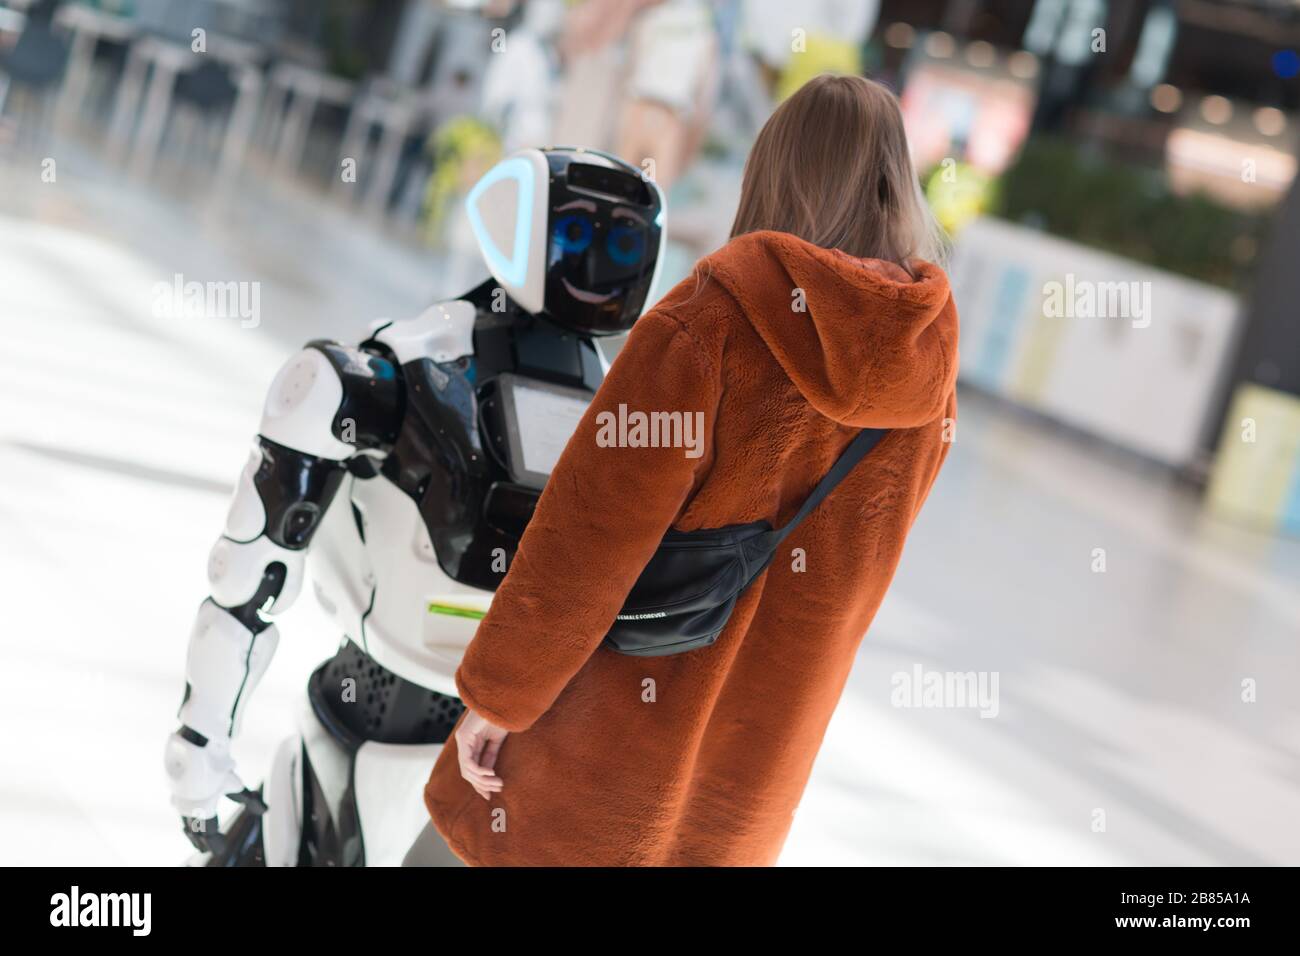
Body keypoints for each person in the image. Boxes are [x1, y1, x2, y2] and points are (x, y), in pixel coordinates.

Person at [423, 73, 959, 866]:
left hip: (597, 771)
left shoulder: (710, 323)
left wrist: (498, 698)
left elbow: (590, 535)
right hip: (747, 788)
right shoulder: (927, 373)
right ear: (895, 185)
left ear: (771, 172)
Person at [162, 147, 666, 865]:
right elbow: (251, 571)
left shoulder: (626, 415)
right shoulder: (402, 374)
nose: (592, 267)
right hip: (363, 719)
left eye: (620, 241)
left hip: (501, 765)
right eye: (576, 234)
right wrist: (201, 739)